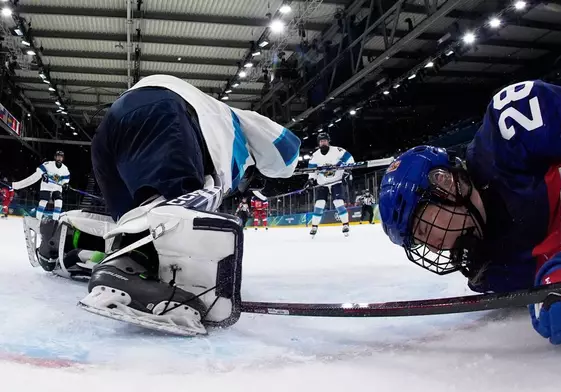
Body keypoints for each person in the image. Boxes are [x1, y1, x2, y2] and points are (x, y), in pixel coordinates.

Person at [379, 79, 561, 345]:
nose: (433, 246)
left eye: (424, 229)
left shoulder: (509, 129)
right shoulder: (493, 273)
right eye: (420, 242)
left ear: (445, 183)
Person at [81, 74, 300, 336]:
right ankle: (121, 275)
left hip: (109, 130)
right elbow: (287, 150)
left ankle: (91, 251)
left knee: (133, 220)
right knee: (176, 213)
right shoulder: (241, 121)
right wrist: (276, 176)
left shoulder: (215, 121)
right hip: (161, 113)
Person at [305, 132, 354, 237]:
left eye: (325, 141)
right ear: (319, 143)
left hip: (336, 181)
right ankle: (314, 226)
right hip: (322, 183)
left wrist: (347, 171)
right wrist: (311, 180)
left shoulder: (337, 151)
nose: (323, 143)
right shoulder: (315, 155)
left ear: (328, 141)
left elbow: (350, 160)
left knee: (338, 202)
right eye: (321, 141)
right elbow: (311, 170)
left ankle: (346, 225)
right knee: (319, 204)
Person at [12, 151, 70, 220]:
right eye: (58, 156)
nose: (59, 158)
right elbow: (39, 169)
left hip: (57, 188)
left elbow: (66, 178)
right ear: (55, 157)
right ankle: (38, 219)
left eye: (61, 157)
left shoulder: (65, 168)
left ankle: (55, 221)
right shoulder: (48, 164)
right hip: (46, 186)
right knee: (43, 202)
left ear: (63, 158)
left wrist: (65, 184)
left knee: (59, 202)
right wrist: (43, 174)